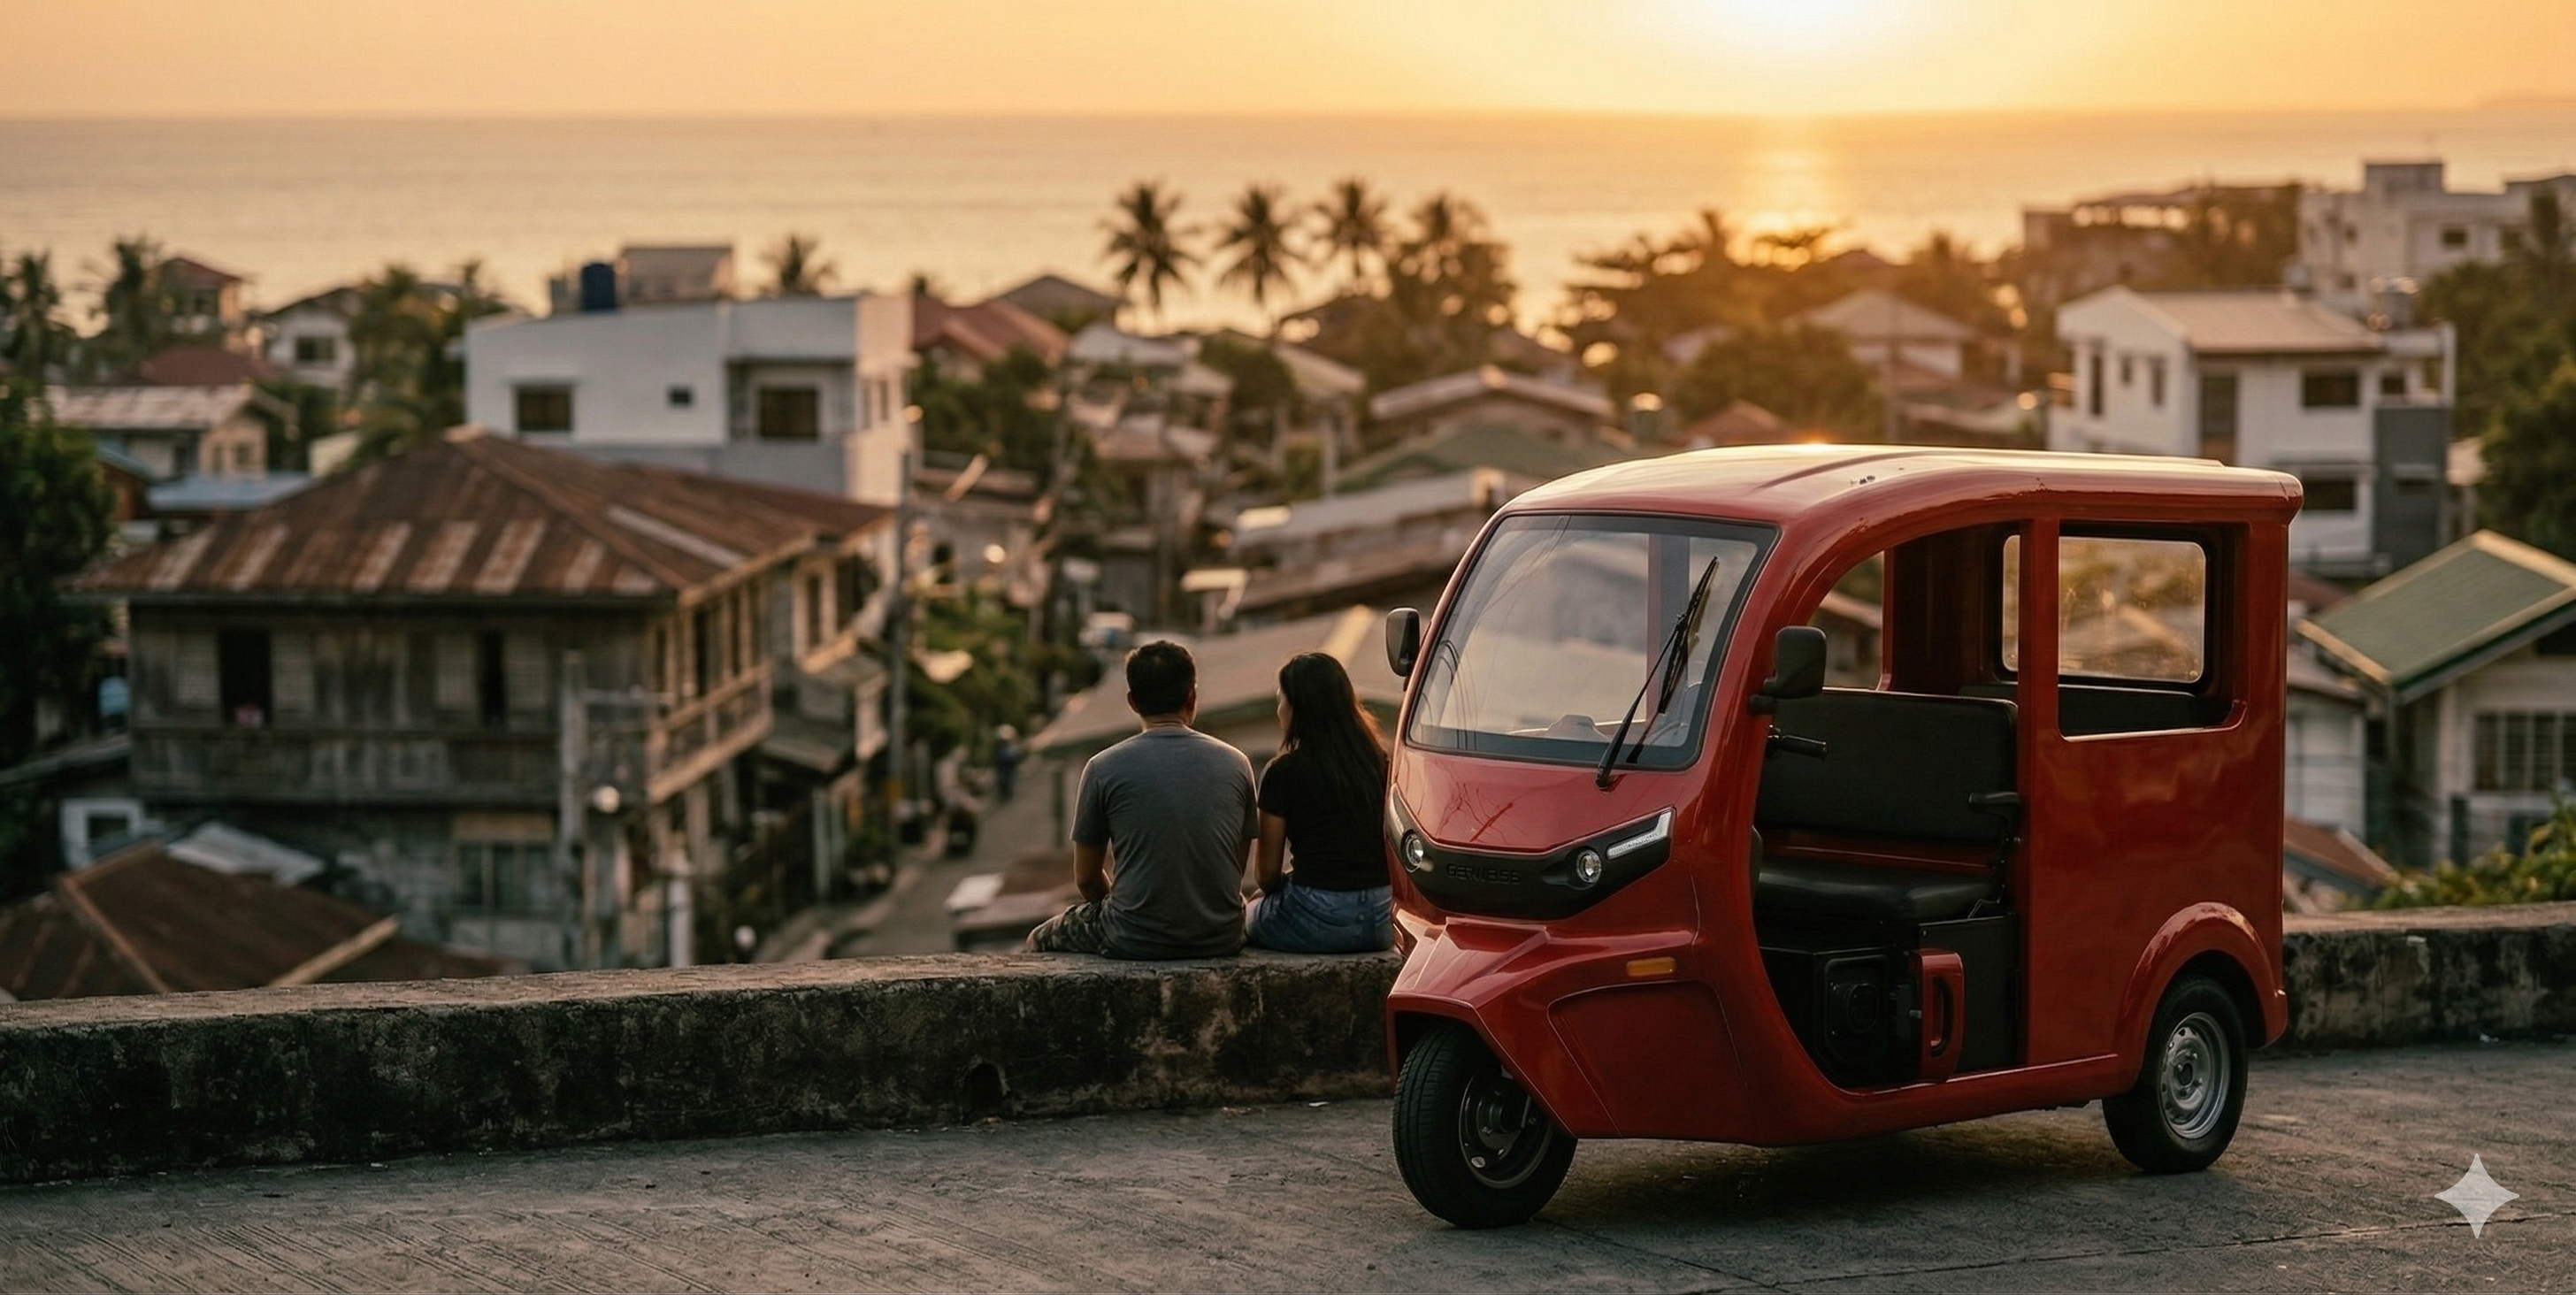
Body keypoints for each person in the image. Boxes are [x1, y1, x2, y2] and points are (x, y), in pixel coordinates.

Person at [1024, 640, 1257, 959]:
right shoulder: (1236, 762)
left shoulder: (1102, 767)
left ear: (1132, 701)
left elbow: (1087, 879)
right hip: (1222, 935)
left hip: (1132, 937)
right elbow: (1234, 867)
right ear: (1192, 696)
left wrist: (1126, 912)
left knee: (1038, 939)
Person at [1245, 653, 1394, 954]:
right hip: (1383, 919)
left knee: (1247, 914)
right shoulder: (1381, 764)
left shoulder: (1282, 772)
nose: (1278, 711)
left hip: (1318, 918)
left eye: (1280, 700)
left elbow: (1267, 875)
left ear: (1297, 708)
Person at [992, 724, 1022, 802]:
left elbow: (1015, 755)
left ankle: (1006, 794)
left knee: (1007, 780)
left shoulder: (1011, 746)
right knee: (1003, 780)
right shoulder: (1000, 746)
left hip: (1008, 766)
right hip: (1003, 766)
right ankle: (1004, 794)